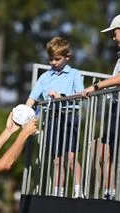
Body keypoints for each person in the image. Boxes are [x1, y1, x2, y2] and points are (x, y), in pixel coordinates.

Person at [82, 13, 120, 199]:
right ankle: (111, 192)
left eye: (115, 32)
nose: (113, 37)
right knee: (109, 150)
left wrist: (95, 86)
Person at [26, 36, 84, 198]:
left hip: (69, 116)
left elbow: (80, 95)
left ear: (67, 57)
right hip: (52, 118)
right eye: (50, 59)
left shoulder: (74, 74)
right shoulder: (45, 77)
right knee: (57, 160)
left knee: (71, 157)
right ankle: (58, 193)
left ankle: (79, 192)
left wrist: (61, 97)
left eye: (57, 59)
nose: (53, 62)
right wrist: (24, 113)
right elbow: (32, 98)